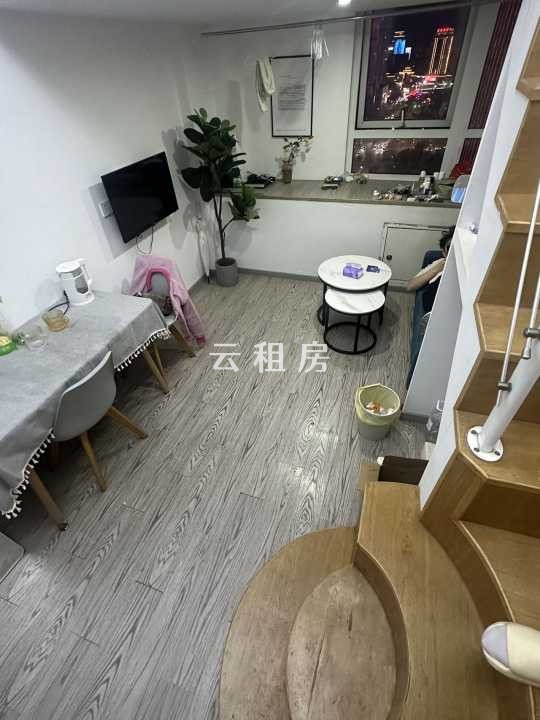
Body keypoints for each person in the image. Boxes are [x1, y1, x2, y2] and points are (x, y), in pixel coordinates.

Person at [406, 226, 455, 387]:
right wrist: (438, 268)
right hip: (432, 305)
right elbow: (410, 286)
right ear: (444, 252)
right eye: (450, 248)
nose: (453, 252)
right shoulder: (438, 263)